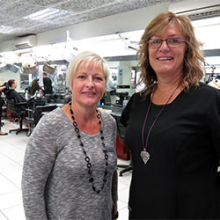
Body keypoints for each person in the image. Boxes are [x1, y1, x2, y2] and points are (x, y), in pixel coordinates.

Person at [120, 11, 220, 219]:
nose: (163, 47)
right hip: (141, 210)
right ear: (147, 50)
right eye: (155, 40)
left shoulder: (209, 101)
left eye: (174, 40)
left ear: (187, 49)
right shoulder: (137, 102)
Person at [22, 51, 118, 220]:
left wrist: (114, 202)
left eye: (98, 78)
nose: (90, 84)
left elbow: (110, 169)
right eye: (82, 77)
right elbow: (32, 188)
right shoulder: (51, 126)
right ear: (71, 83)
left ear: (105, 85)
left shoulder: (109, 123)